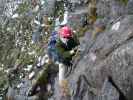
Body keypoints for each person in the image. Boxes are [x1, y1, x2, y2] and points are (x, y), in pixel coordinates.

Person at [55, 25, 79, 98]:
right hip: (63, 62)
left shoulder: (70, 39)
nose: (67, 39)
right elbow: (63, 54)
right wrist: (72, 52)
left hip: (71, 58)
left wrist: (75, 37)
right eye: (65, 37)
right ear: (62, 36)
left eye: (68, 37)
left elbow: (77, 44)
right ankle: (66, 94)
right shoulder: (58, 45)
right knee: (61, 80)